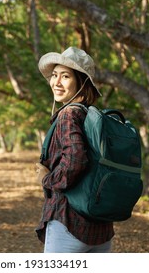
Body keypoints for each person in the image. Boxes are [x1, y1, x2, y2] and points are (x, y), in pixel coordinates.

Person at [35, 46, 114, 253]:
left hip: (68, 222)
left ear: (81, 81)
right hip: (100, 226)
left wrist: (46, 179)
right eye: (54, 75)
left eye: (65, 76)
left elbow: (76, 159)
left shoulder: (68, 115)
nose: (56, 82)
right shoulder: (93, 116)